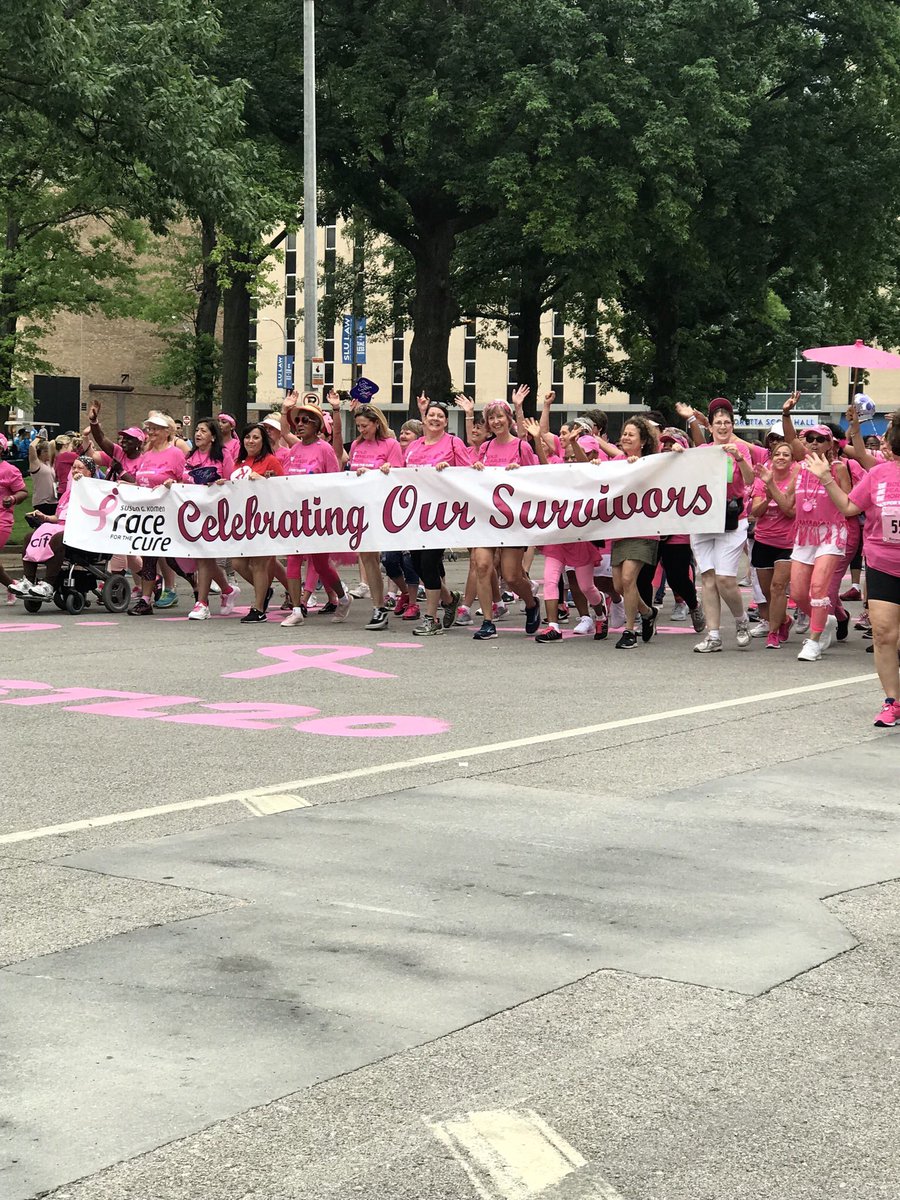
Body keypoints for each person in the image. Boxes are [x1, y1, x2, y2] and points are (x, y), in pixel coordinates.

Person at [805, 410, 900, 725]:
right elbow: (848, 506)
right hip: (882, 564)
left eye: (888, 434)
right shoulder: (878, 474)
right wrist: (826, 478)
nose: (884, 440)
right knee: (884, 634)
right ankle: (893, 702)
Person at [385, 397, 472, 636]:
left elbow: (470, 473)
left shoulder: (453, 443)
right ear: (424, 419)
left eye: (440, 416)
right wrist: (387, 470)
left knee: (429, 565)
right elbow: (401, 474)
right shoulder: (414, 446)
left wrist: (449, 470)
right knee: (416, 564)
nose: (435, 419)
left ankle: (431, 618)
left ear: (445, 422)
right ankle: (449, 598)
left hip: (441, 514)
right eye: (431, 415)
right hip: (414, 513)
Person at [682, 398, 755, 653]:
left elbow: (749, 481)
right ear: (710, 427)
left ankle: (741, 620)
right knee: (708, 577)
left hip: (733, 518)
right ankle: (713, 635)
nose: (723, 426)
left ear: (732, 426)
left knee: (725, 578)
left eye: (727, 422)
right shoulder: (704, 451)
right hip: (704, 519)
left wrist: (740, 459)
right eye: (718, 423)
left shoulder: (740, 450)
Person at [467, 397, 541, 641]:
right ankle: (488, 621)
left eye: (500, 416)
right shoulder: (485, 448)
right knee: (482, 566)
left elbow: (537, 478)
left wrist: (519, 474)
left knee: (511, 576)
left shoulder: (522, 447)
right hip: (487, 517)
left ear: (509, 419)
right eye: (491, 417)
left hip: (513, 520)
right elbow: (476, 479)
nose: (496, 421)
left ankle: (531, 604)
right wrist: (476, 469)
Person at [330, 395, 403, 631]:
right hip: (361, 507)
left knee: (387, 559)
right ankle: (378, 607)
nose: (362, 430)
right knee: (367, 557)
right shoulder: (358, 445)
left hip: (384, 507)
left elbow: (399, 473)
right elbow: (348, 466)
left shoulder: (390, 444)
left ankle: (407, 598)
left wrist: (386, 470)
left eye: (365, 425)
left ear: (376, 423)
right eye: (359, 426)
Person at [278, 395, 351, 628]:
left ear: (317, 426)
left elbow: (333, 482)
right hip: (296, 515)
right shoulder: (294, 449)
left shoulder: (325, 449)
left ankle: (343, 597)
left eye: (306, 420)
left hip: (318, 516)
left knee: (320, 565)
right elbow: (288, 479)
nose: (299, 424)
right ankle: (297, 609)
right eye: (297, 420)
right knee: (292, 559)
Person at [784, 422, 852, 662]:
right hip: (805, 535)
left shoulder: (838, 468)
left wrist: (826, 479)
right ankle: (825, 620)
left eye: (820, 439)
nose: (814, 442)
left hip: (831, 533)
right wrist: (769, 484)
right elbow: (788, 506)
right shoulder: (798, 468)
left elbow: (849, 505)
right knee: (799, 592)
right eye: (810, 438)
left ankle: (813, 642)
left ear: (830, 443)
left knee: (818, 588)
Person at [127, 415, 190, 615]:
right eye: (149, 429)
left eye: (156, 429)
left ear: (167, 431)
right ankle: (146, 600)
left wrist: (174, 485)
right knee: (148, 556)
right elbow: (142, 483)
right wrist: (126, 487)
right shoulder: (145, 455)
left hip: (169, 513)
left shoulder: (176, 454)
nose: (152, 432)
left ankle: (197, 585)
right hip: (147, 515)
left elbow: (186, 481)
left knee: (172, 559)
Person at [608, 417, 662, 649]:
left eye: (631, 434)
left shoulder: (651, 461)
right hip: (621, 530)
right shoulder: (615, 462)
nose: (625, 438)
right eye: (624, 433)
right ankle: (649, 613)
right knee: (620, 586)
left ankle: (630, 630)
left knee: (630, 578)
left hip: (644, 528)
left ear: (642, 442)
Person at [183, 420, 239, 620]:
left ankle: (202, 602)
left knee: (204, 556)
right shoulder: (190, 457)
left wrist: (222, 483)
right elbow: (184, 479)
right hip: (195, 513)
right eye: (197, 430)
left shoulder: (223, 455)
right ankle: (227, 590)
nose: (198, 434)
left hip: (216, 513)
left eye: (203, 431)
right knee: (203, 557)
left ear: (213, 436)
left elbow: (232, 481)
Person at [749, 442, 799, 649]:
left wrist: (772, 488)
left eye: (786, 455)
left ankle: (773, 632)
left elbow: (790, 511)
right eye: (777, 454)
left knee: (778, 587)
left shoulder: (795, 479)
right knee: (768, 593)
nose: (781, 457)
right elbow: (755, 513)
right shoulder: (763, 479)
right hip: (763, 540)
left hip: (786, 543)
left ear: (791, 459)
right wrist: (766, 497)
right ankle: (784, 620)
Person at [0, 436, 27, 599]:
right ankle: (13, 586)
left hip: (2, 519)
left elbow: (23, 491)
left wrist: (12, 499)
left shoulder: (9, 470)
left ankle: (12, 586)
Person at [28, 438, 57, 516]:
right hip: (42, 502)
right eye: (46, 451)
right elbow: (31, 446)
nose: (49, 453)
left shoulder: (50, 464)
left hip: (54, 500)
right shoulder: (36, 464)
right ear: (40, 452)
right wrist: (39, 438)